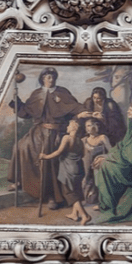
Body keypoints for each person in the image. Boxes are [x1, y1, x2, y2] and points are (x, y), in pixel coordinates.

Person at [8, 68, 83, 209]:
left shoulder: (62, 92)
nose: (51, 79)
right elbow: (26, 111)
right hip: (38, 131)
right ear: (43, 78)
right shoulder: (36, 94)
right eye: (48, 77)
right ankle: (19, 180)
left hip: (56, 132)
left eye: (53, 76)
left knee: (49, 158)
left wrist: (83, 112)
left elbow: (75, 107)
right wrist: (16, 101)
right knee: (20, 146)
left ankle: (51, 196)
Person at [39, 119, 91, 225]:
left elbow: (58, 152)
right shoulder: (80, 141)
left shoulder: (67, 138)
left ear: (73, 128)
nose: (67, 127)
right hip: (78, 169)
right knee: (76, 190)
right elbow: (82, 155)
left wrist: (45, 156)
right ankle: (74, 214)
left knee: (70, 193)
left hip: (68, 170)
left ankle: (85, 215)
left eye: (68, 125)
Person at [81, 118, 112, 207]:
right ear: (85, 128)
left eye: (93, 124)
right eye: (88, 125)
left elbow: (111, 152)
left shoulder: (102, 137)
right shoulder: (83, 140)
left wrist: (104, 158)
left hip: (100, 168)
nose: (91, 127)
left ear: (97, 126)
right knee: (89, 200)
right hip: (87, 170)